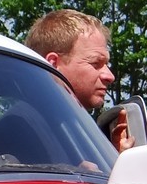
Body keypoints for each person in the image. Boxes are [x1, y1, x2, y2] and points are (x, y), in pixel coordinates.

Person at [24, 9, 133, 152]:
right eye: (95, 63)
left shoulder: (73, 129)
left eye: (106, 65)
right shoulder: (22, 130)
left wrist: (116, 159)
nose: (110, 76)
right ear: (53, 64)